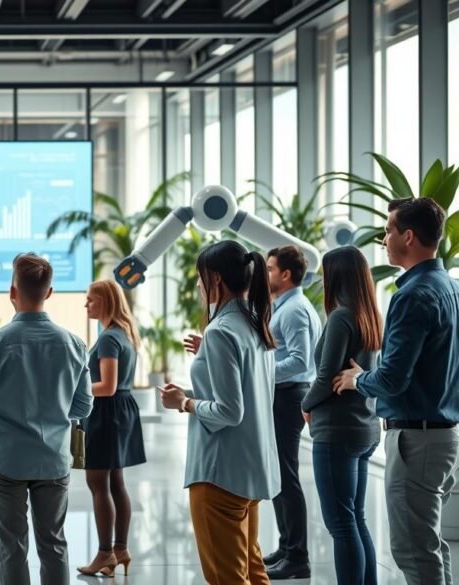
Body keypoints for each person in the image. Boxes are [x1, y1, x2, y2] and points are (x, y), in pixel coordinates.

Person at [334, 197, 459, 585]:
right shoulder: (451, 288)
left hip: (416, 441)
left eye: (388, 230)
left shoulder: (412, 295)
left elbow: (391, 379)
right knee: (430, 545)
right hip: (442, 436)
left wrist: (357, 380)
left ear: (408, 236)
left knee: (412, 550)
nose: (384, 239)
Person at [0, 253, 93, 585]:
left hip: (5, 459)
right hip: (54, 459)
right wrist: (54, 409)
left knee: (12, 549)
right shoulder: (74, 344)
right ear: (49, 293)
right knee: (54, 545)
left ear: (12, 291)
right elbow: (83, 406)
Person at [160, 240, 279, 585]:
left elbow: (229, 411)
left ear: (215, 279)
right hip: (250, 468)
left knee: (227, 577)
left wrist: (184, 403)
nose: (198, 285)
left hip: (219, 473)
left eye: (200, 277)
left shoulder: (220, 331)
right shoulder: (256, 323)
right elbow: (250, 395)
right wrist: (192, 393)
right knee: (253, 571)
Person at [300, 246, 381, 585]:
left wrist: (305, 404)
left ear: (337, 276)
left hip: (337, 432)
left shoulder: (341, 317)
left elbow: (325, 377)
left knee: (341, 523)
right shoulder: (370, 316)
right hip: (364, 428)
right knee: (355, 519)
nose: (322, 279)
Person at [77, 280, 145, 578]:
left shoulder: (107, 338)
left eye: (90, 300)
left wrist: (74, 389)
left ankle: (105, 553)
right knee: (116, 482)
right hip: (121, 411)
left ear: (105, 302)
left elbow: (107, 386)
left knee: (97, 482)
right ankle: (120, 549)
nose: (86, 304)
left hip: (106, 412)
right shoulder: (123, 333)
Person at [264, 246, 321, 580]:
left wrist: (260, 371)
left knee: (286, 475)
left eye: (270, 268)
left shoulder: (295, 310)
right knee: (279, 473)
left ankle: (297, 556)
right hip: (283, 393)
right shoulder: (286, 307)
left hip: (288, 395)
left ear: (286, 274)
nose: (265, 274)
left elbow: (300, 361)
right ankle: (287, 547)